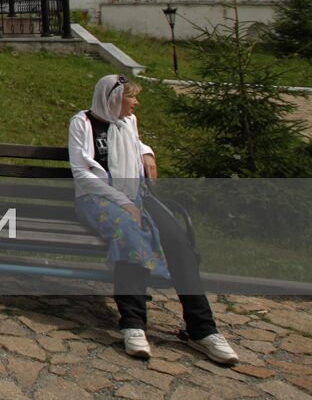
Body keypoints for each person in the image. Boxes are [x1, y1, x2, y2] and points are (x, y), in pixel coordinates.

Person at [68, 74, 238, 366]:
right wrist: (123, 202)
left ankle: (203, 329)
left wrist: (146, 151)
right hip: (98, 200)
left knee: (179, 243)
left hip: (138, 195)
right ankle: (133, 323)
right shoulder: (82, 123)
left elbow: (135, 142)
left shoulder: (128, 122)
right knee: (132, 237)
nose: (136, 102)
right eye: (131, 97)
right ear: (114, 100)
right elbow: (82, 172)